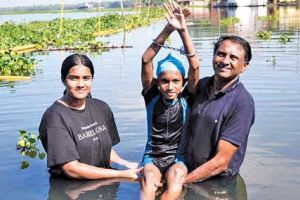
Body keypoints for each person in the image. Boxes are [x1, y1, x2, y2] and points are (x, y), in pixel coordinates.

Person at [39, 53, 141, 179]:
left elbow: (104, 149)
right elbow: (71, 169)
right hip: (72, 189)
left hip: (106, 181)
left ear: (92, 78)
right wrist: (121, 174)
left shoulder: (101, 107)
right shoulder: (55, 117)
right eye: (74, 78)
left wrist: (126, 164)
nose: (81, 84)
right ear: (63, 80)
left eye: (86, 78)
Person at [140, 1, 199, 199]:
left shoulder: (187, 99)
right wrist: (168, 28)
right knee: (148, 185)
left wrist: (183, 31)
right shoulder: (151, 96)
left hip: (178, 158)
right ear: (157, 82)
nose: (170, 86)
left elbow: (195, 67)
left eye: (176, 81)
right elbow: (146, 59)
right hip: (152, 158)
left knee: (174, 186)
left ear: (183, 82)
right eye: (165, 81)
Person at [184, 35, 255, 183]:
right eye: (221, 54)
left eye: (233, 57)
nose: (225, 61)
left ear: (244, 66)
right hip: (188, 170)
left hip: (217, 184)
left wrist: (182, 182)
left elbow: (221, 162)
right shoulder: (203, 85)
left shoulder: (242, 103)